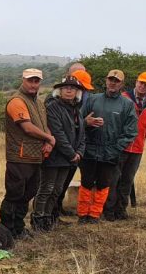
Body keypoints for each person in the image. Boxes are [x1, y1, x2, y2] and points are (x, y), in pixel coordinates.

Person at [0, 68, 54, 237]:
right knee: (14, 195)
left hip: (35, 157)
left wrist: (48, 140)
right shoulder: (17, 101)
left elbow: (43, 126)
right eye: (30, 80)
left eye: (36, 81)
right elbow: (28, 128)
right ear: (22, 80)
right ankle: (7, 229)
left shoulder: (38, 103)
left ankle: (18, 228)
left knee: (27, 195)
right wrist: (50, 138)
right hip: (19, 157)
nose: (33, 84)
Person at [78, 70, 138, 223]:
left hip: (110, 153)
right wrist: (87, 123)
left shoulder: (127, 104)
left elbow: (131, 132)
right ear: (106, 81)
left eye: (116, 81)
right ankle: (82, 214)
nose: (113, 83)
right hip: (89, 151)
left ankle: (94, 215)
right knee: (86, 183)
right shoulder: (93, 99)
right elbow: (77, 122)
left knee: (104, 185)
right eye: (110, 79)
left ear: (122, 84)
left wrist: (115, 149)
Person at [32, 76, 86, 232]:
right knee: (46, 189)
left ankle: (48, 218)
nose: (69, 90)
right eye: (65, 88)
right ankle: (38, 220)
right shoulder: (52, 106)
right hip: (54, 156)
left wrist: (79, 152)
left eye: (73, 88)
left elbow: (82, 134)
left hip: (68, 158)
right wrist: (72, 153)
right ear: (59, 90)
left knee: (57, 190)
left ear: (77, 92)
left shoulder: (76, 108)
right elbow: (58, 133)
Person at [104, 71, 146, 220]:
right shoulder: (123, 98)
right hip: (119, 146)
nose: (142, 86)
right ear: (136, 82)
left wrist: (138, 139)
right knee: (113, 179)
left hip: (137, 148)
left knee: (127, 181)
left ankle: (121, 210)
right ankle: (108, 211)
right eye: (141, 82)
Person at [53, 66, 95, 218]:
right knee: (53, 186)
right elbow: (60, 130)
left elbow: (78, 127)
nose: (83, 90)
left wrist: (78, 151)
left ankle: (57, 209)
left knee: (64, 183)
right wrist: (85, 122)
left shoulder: (81, 101)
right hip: (60, 152)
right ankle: (51, 213)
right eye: (81, 87)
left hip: (75, 150)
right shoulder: (55, 102)